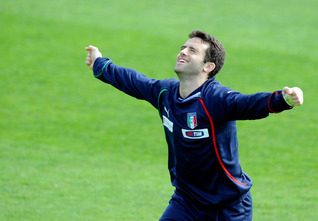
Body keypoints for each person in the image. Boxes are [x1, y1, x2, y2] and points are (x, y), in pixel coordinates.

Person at [85, 30, 303, 221]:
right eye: (183, 48)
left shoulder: (216, 99)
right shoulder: (165, 93)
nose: (183, 52)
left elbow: (248, 104)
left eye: (192, 51)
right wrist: (100, 64)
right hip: (187, 200)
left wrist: (283, 99)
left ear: (208, 66)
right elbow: (135, 81)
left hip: (229, 206)